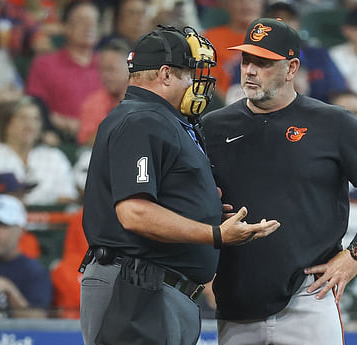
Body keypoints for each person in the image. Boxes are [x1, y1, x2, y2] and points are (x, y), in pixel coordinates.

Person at [200, 18, 357, 345]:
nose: (249, 70)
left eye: (263, 63)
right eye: (246, 60)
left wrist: (355, 254)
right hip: (236, 299)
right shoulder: (213, 126)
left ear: (291, 67)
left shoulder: (334, 123)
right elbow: (196, 202)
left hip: (310, 295)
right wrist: (206, 273)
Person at [80, 26, 280, 345]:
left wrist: (208, 212)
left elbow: (165, 198)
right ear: (165, 74)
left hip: (160, 289)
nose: (195, 83)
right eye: (189, 74)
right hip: (135, 286)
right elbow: (134, 212)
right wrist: (214, 233)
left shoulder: (165, 119)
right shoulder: (140, 119)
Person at [25, 1, 102, 141]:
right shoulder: (45, 63)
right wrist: (62, 122)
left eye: (94, 22)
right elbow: (35, 106)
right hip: (60, 139)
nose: (89, 26)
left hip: (104, 142)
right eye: (82, 21)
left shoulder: (108, 66)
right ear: (66, 27)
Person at [0, 97, 78, 205]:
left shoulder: (53, 156)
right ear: (7, 124)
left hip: (49, 221)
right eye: (23, 118)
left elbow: (68, 197)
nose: (30, 126)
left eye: (36, 119)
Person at [0, 194, 52, 318]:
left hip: (13, 337)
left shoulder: (34, 272)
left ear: (21, 230)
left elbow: (39, 322)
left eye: (2, 225)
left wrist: (9, 290)